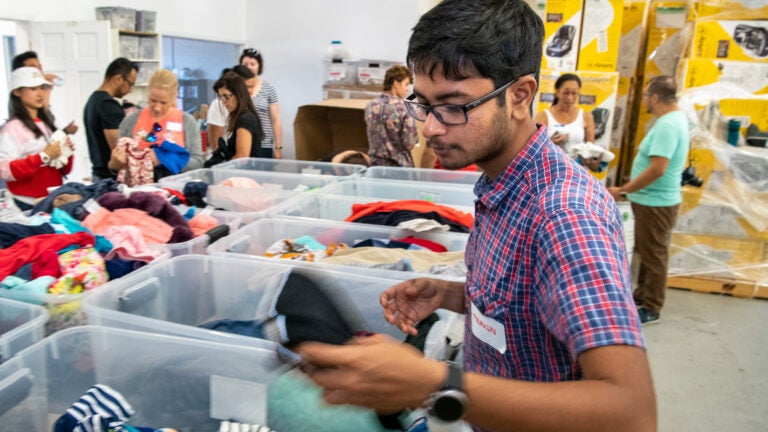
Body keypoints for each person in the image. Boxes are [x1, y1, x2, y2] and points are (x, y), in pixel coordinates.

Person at [299, 1, 656, 431]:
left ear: (519, 96)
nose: (430, 128)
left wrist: (434, 382)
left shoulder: (564, 215)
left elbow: (630, 412)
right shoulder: (501, 183)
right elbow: (528, 308)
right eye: (425, 104)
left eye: (454, 105)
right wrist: (452, 296)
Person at [609, 76, 689, 326]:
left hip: (656, 202)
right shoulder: (674, 119)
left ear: (654, 98)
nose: (644, 100)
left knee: (654, 255)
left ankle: (652, 307)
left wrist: (624, 189)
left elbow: (658, 169)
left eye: (645, 95)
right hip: (651, 200)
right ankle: (641, 298)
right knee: (647, 251)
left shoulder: (667, 124)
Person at [0, 67, 74, 209]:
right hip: (26, 204)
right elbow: (5, 170)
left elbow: (63, 169)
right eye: (33, 89)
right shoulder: (13, 128)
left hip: (53, 199)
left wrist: (66, 153)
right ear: (17, 92)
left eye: (42, 88)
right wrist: (43, 157)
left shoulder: (49, 123)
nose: (40, 93)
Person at [110, 69, 203, 182]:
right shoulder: (130, 121)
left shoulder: (187, 122)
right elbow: (115, 167)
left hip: (174, 189)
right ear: (148, 94)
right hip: (137, 191)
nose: (157, 108)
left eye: (163, 103)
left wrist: (164, 158)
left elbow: (197, 163)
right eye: (153, 101)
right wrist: (115, 163)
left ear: (174, 97)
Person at [83, 57, 138, 181]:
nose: (130, 90)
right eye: (130, 84)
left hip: (99, 173)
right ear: (118, 79)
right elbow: (120, 149)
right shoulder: (108, 105)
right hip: (109, 178)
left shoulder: (93, 100)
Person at [204, 71, 264, 167]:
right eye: (221, 97)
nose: (223, 102)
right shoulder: (240, 117)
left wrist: (222, 165)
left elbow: (242, 158)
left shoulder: (245, 119)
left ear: (238, 94)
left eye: (226, 96)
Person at [364, 65, 419, 167]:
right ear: (396, 84)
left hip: (376, 166)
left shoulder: (370, 105)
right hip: (398, 167)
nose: (407, 89)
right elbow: (409, 143)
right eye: (406, 84)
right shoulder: (403, 108)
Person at [12, 51, 78, 135]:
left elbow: (49, 135)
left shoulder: (39, 108)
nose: (38, 71)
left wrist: (65, 132)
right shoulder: (15, 125)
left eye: (39, 67)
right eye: (32, 67)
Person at [534, 73, 595, 153]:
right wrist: (550, 142)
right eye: (566, 93)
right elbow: (535, 147)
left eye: (574, 93)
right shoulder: (543, 116)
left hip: (578, 164)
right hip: (553, 163)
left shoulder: (586, 116)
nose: (570, 98)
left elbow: (591, 148)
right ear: (557, 92)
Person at [240, 48, 283, 159]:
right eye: (245, 64)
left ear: (259, 66)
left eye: (253, 64)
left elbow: (275, 119)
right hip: (241, 143)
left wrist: (278, 148)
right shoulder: (236, 89)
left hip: (264, 145)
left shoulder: (268, 88)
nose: (249, 67)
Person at [205, 65, 257, 153]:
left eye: (252, 87)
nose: (251, 91)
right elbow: (214, 143)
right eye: (247, 87)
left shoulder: (246, 108)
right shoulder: (219, 104)